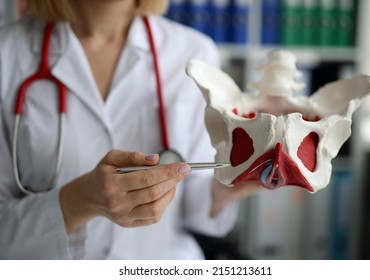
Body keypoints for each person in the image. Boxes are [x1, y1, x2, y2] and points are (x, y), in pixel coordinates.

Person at [0, 0, 260, 259]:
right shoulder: (8, 54)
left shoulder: (195, 53)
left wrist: (233, 183)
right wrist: (81, 200)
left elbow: (194, 207)